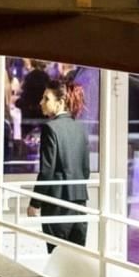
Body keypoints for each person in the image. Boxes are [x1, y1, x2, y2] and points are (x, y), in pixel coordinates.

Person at [26, 80, 89, 253]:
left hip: (57, 203)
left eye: (46, 99)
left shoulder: (50, 129)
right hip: (79, 201)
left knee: (57, 255)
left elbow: (47, 171)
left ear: (60, 103)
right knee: (76, 256)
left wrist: (35, 203)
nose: (41, 102)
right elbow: (85, 170)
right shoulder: (80, 129)